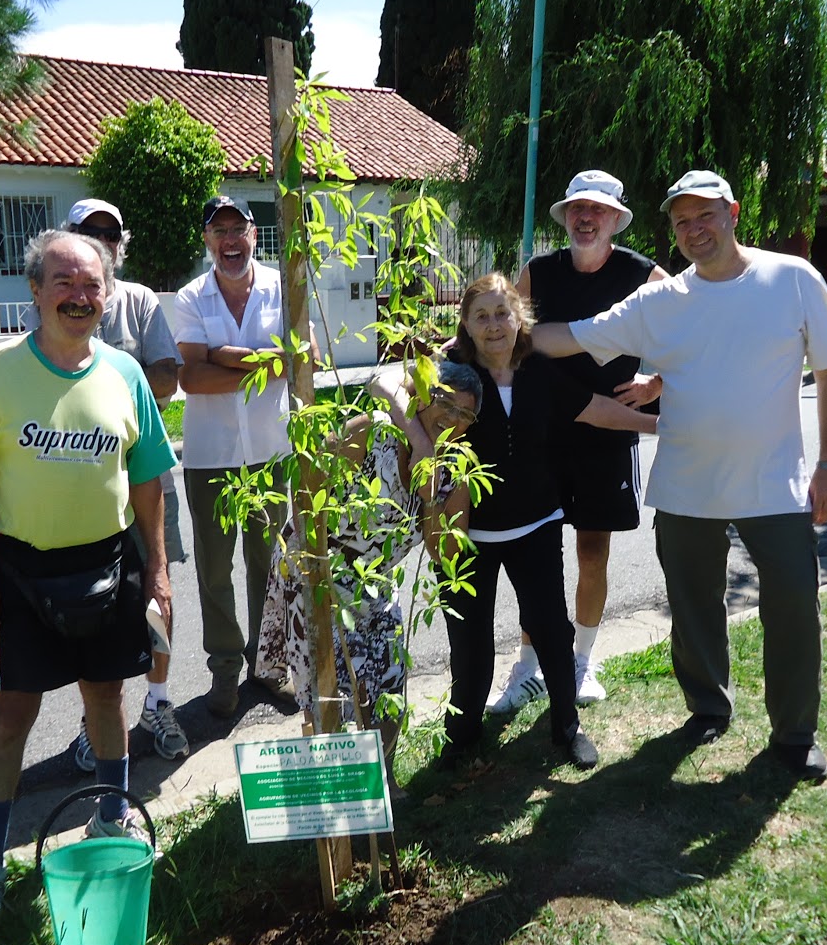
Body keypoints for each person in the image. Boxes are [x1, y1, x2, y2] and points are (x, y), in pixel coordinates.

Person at [532, 169, 827, 781]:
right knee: (693, 604)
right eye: (682, 220)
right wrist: (487, 335)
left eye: (705, 214)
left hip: (775, 484)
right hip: (685, 484)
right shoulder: (662, 302)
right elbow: (568, 338)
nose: (694, 229)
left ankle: (794, 734)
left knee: (791, 606)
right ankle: (708, 706)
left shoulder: (791, 278)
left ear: (733, 211)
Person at [0, 229, 176, 927]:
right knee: (11, 714)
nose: (79, 296)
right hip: (24, 572)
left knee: (106, 698)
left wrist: (158, 569)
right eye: (63, 283)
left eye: (91, 285)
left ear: (107, 295)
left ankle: (113, 817)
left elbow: (147, 483)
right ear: (36, 291)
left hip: (107, 562)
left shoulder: (126, 374)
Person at [384, 273, 656, 771]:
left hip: (537, 525)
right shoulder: (452, 373)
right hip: (465, 535)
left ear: (520, 318)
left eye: (502, 313)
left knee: (552, 632)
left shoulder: (539, 372)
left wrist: (661, 425)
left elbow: (595, 410)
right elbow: (386, 382)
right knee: (470, 647)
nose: (493, 326)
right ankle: (462, 736)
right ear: (465, 324)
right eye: (481, 316)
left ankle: (566, 726)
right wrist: (419, 439)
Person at [491, 169, 670, 714]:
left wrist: (658, 382)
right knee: (534, 555)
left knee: (593, 552)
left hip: (608, 437)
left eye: (596, 210)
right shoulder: (538, 273)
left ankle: (582, 661)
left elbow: (694, 336)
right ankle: (527, 669)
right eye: (576, 209)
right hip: (542, 436)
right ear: (566, 217)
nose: (584, 218)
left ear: (615, 219)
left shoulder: (645, 275)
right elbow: (501, 335)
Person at [256, 359, 480, 783]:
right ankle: (335, 799)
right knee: (331, 694)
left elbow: (443, 555)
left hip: (373, 583)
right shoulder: (374, 431)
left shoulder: (457, 476)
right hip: (317, 571)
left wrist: (431, 491)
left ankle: (383, 783)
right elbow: (308, 483)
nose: (451, 420)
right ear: (422, 396)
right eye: (445, 404)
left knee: (390, 681)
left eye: (464, 415)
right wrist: (311, 564)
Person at [54, 198, 190, 765]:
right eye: (90, 232)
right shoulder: (55, 298)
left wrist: (111, 376)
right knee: (90, 602)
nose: (103, 241)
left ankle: (158, 702)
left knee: (158, 587)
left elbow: (165, 378)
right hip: (79, 480)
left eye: (111, 233)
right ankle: (96, 719)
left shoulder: (137, 301)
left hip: (145, 470)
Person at [173, 195, 291, 718]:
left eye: (237, 229)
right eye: (218, 231)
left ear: (254, 235)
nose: (229, 240)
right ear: (207, 241)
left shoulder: (282, 288)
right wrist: (263, 361)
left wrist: (219, 355)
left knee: (270, 565)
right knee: (215, 569)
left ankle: (269, 669)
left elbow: (297, 360)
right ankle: (224, 672)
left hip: (270, 450)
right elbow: (191, 379)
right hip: (210, 457)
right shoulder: (191, 297)